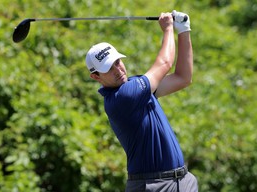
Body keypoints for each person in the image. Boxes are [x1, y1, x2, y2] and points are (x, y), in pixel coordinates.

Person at [85, 10, 198, 192]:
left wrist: (184, 30)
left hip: (183, 181)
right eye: (108, 68)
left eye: (117, 62)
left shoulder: (135, 88)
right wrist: (168, 29)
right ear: (95, 77)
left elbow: (183, 77)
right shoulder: (123, 97)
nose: (118, 69)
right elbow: (165, 63)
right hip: (153, 186)